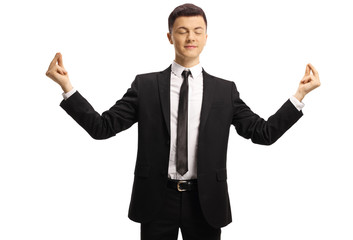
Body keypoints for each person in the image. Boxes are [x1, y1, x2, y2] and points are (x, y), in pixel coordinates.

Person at [45, 3, 320, 240]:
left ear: (206, 37)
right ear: (170, 36)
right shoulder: (146, 85)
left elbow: (263, 133)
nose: (191, 37)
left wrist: (300, 95)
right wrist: (67, 87)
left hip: (206, 202)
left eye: (197, 31)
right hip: (156, 199)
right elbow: (102, 128)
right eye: (183, 31)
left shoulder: (225, 91)